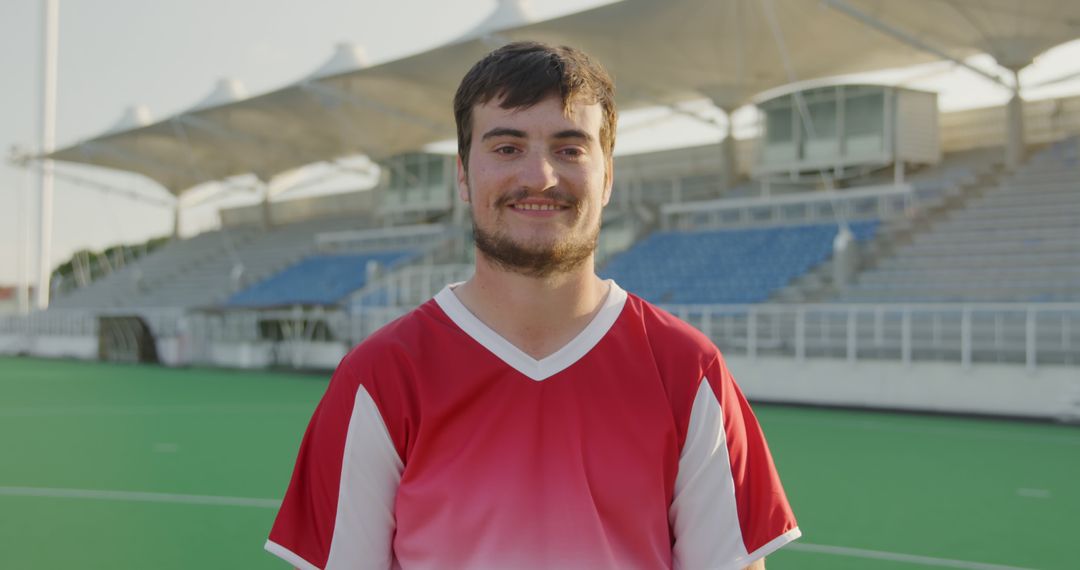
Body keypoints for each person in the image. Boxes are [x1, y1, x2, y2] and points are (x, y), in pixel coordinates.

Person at [266, 41, 800, 570]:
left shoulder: (686, 370)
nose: (539, 176)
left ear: (608, 175)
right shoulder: (380, 376)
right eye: (506, 148)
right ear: (462, 175)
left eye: (570, 149)